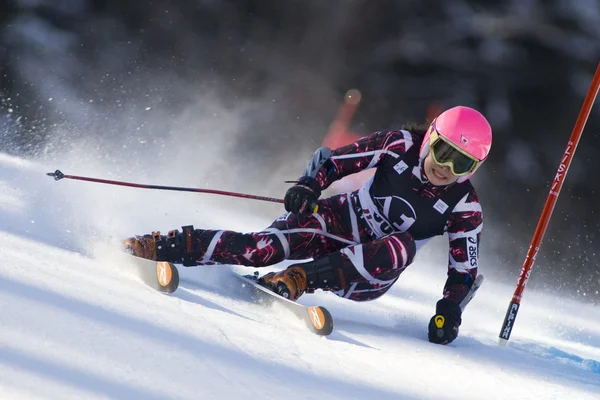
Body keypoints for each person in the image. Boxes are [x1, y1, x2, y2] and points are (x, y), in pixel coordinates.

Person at [124, 105, 492, 345]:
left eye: (463, 164)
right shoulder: (400, 145)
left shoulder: (464, 204)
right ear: (430, 140)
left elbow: (464, 271)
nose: (447, 168)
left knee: (402, 246)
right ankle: (164, 244)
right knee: (263, 248)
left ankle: (302, 278)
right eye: (444, 152)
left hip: (368, 273)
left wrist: (450, 310)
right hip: (340, 221)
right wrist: (308, 185)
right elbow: (338, 162)